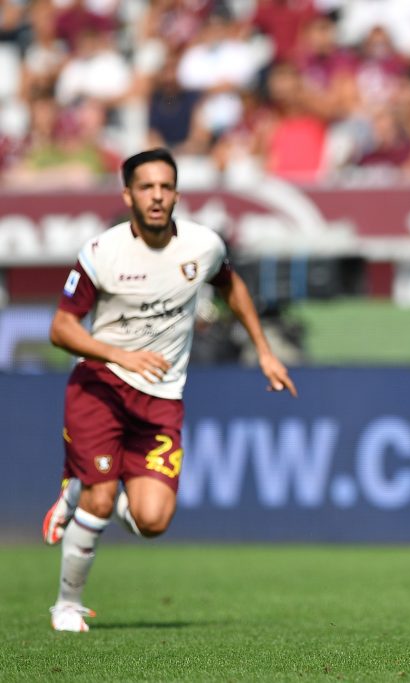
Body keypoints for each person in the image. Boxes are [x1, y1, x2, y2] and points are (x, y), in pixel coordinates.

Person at [41, 147, 297, 632]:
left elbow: (232, 287)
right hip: (101, 387)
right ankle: (67, 605)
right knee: (100, 501)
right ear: (128, 195)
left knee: (153, 521)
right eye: (146, 187)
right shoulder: (102, 254)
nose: (156, 197)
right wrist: (118, 354)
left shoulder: (203, 246)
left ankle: (80, 488)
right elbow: (60, 328)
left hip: (161, 398)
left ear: (176, 194)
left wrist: (263, 349)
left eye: (164, 187)